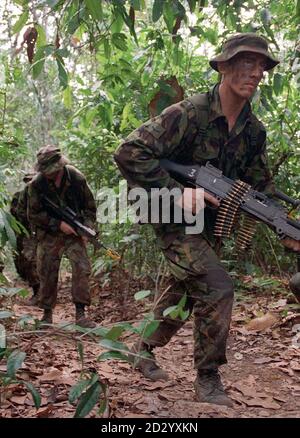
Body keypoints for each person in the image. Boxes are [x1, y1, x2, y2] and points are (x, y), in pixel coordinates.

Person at [114, 33, 300, 407]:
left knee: (182, 293)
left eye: (261, 65)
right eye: (247, 63)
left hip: (212, 222)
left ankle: (143, 347)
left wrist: (284, 225)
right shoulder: (188, 113)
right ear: (225, 66)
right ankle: (208, 378)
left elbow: (259, 186)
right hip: (170, 213)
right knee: (216, 286)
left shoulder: (254, 131)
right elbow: (129, 152)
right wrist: (178, 191)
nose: (256, 72)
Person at [27, 145, 97, 328]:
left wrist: (86, 230)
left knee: (81, 268)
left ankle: (81, 314)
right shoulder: (36, 184)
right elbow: (33, 214)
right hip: (49, 234)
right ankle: (47, 314)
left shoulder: (76, 178)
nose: (49, 174)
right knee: (47, 270)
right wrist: (57, 224)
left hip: (74, 233)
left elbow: (90, 209)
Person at [10, 173, 40, 305]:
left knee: (33, 261)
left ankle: (39, 293)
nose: (30, 183)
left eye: (32, 180)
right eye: (27, 180)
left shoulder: (43, 196)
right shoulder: (18, 196)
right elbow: (14, 214)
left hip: (39, 234)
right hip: (23, 233)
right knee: (21, 264)